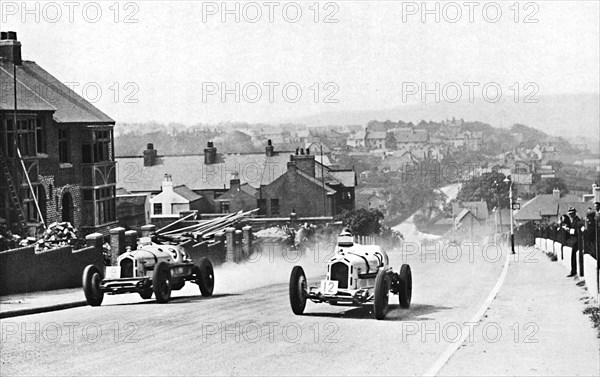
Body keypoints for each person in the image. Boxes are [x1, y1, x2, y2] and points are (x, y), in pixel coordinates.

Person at [565, 207, 581, 277]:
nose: (570, 215)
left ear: (574, 213)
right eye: (569, 214)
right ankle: (573, 270)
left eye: (571, 214)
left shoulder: (577, 221)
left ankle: (573, 271)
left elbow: (575, 231)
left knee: (574, 256)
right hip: (574, 240)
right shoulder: (573, 220)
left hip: (577, 240)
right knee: (573, 256)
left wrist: (568, 230)